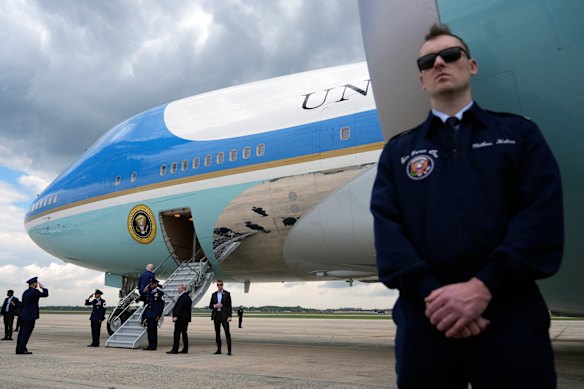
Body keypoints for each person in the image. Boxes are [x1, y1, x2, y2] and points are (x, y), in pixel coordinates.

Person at [370, 23, 563, 388]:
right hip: (427, 321)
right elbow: (388, 234)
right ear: (421, 79)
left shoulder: (519, 135)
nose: (439, 63)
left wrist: (483, 287)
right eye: (428, 61)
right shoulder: (399, 152)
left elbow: (540, 219)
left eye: (450, 55)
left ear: (470, 65)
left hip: (508, 316)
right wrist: (434, 296)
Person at [16, 277, 49, 354]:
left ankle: (20, 348)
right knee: (26, 333)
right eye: (36, 283)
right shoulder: (34, 291)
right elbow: (45, 294)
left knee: (21, 333)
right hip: (30, 316)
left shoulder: (25, 292)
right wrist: (43, 287)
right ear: (34, 284)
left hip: (23, 315)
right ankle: (21, 350)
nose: (37, 284)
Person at [209, 279, 232, 355]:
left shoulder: (227, 294)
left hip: (224, 316)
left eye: (220, 285)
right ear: (216, 286)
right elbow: (210, 306)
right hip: (217, 315)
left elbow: (229, 306)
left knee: (227, 332)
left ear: (223, 285)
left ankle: (229, 351)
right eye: (218, 285)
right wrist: (216, 305)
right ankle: (219, 350)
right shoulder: (214, 294)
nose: (219, 286)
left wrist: (229, 316)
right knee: (217, 333)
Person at [167, 283, 192, 354]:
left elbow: (180, 308)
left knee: (177, 334)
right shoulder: (186, 296)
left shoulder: (183, 297)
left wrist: (176, 316)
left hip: (181, 319)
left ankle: (175, 349)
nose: (178, 289)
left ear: (183, 288)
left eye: (179, 288)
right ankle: (185, 349)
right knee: (184, 334)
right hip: (185, 319)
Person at [142, 278, 164, 350]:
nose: (151, 285)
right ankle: (150, 345)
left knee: (153, 331)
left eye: (152, 284)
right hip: (148, 314)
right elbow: (144, 299)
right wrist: (144, 291)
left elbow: (161, 305)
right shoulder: (149, 292)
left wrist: (158, 315)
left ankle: (153, 346)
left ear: (156, 284)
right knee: (149, 331)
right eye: (150, 284)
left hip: (154, 315)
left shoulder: (160, 292)